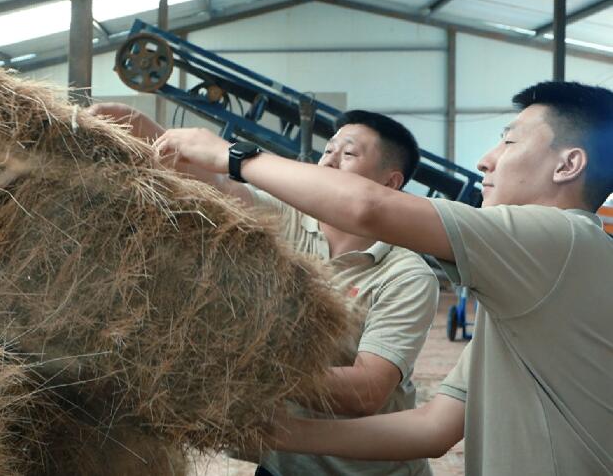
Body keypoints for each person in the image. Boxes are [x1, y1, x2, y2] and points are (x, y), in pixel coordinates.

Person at [152, 81, 613, 476]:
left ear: (567, 165)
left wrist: (230, 155)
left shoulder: (562, 239)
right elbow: (433, 428)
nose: (485, 161)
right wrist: (270, 435)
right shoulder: (524, 292)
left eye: (508, 142)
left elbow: (366, 207)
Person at [90, 103, 440, 476]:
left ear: (390, 183)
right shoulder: (287, 220)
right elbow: (218, 186)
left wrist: (239, 365)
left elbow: (366, 390)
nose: (329, 162)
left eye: (349, 154)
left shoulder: (406, 275)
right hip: (281, 467)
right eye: (327, 150)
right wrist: (144, 127)